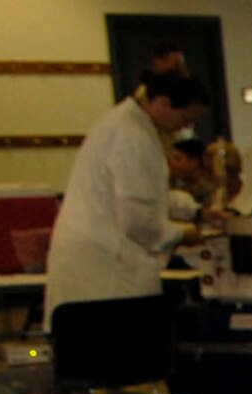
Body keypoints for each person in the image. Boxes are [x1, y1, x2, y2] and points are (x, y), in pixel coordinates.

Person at [43, 72, 210, 326]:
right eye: (185, 118)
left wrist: (197, 213)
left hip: (100, 259)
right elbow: (136, 219)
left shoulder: (128, 125)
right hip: (105, 267)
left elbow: (148, 193)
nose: (184, 128)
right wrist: (181, 234)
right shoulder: (131, 135)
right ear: (163, 103)